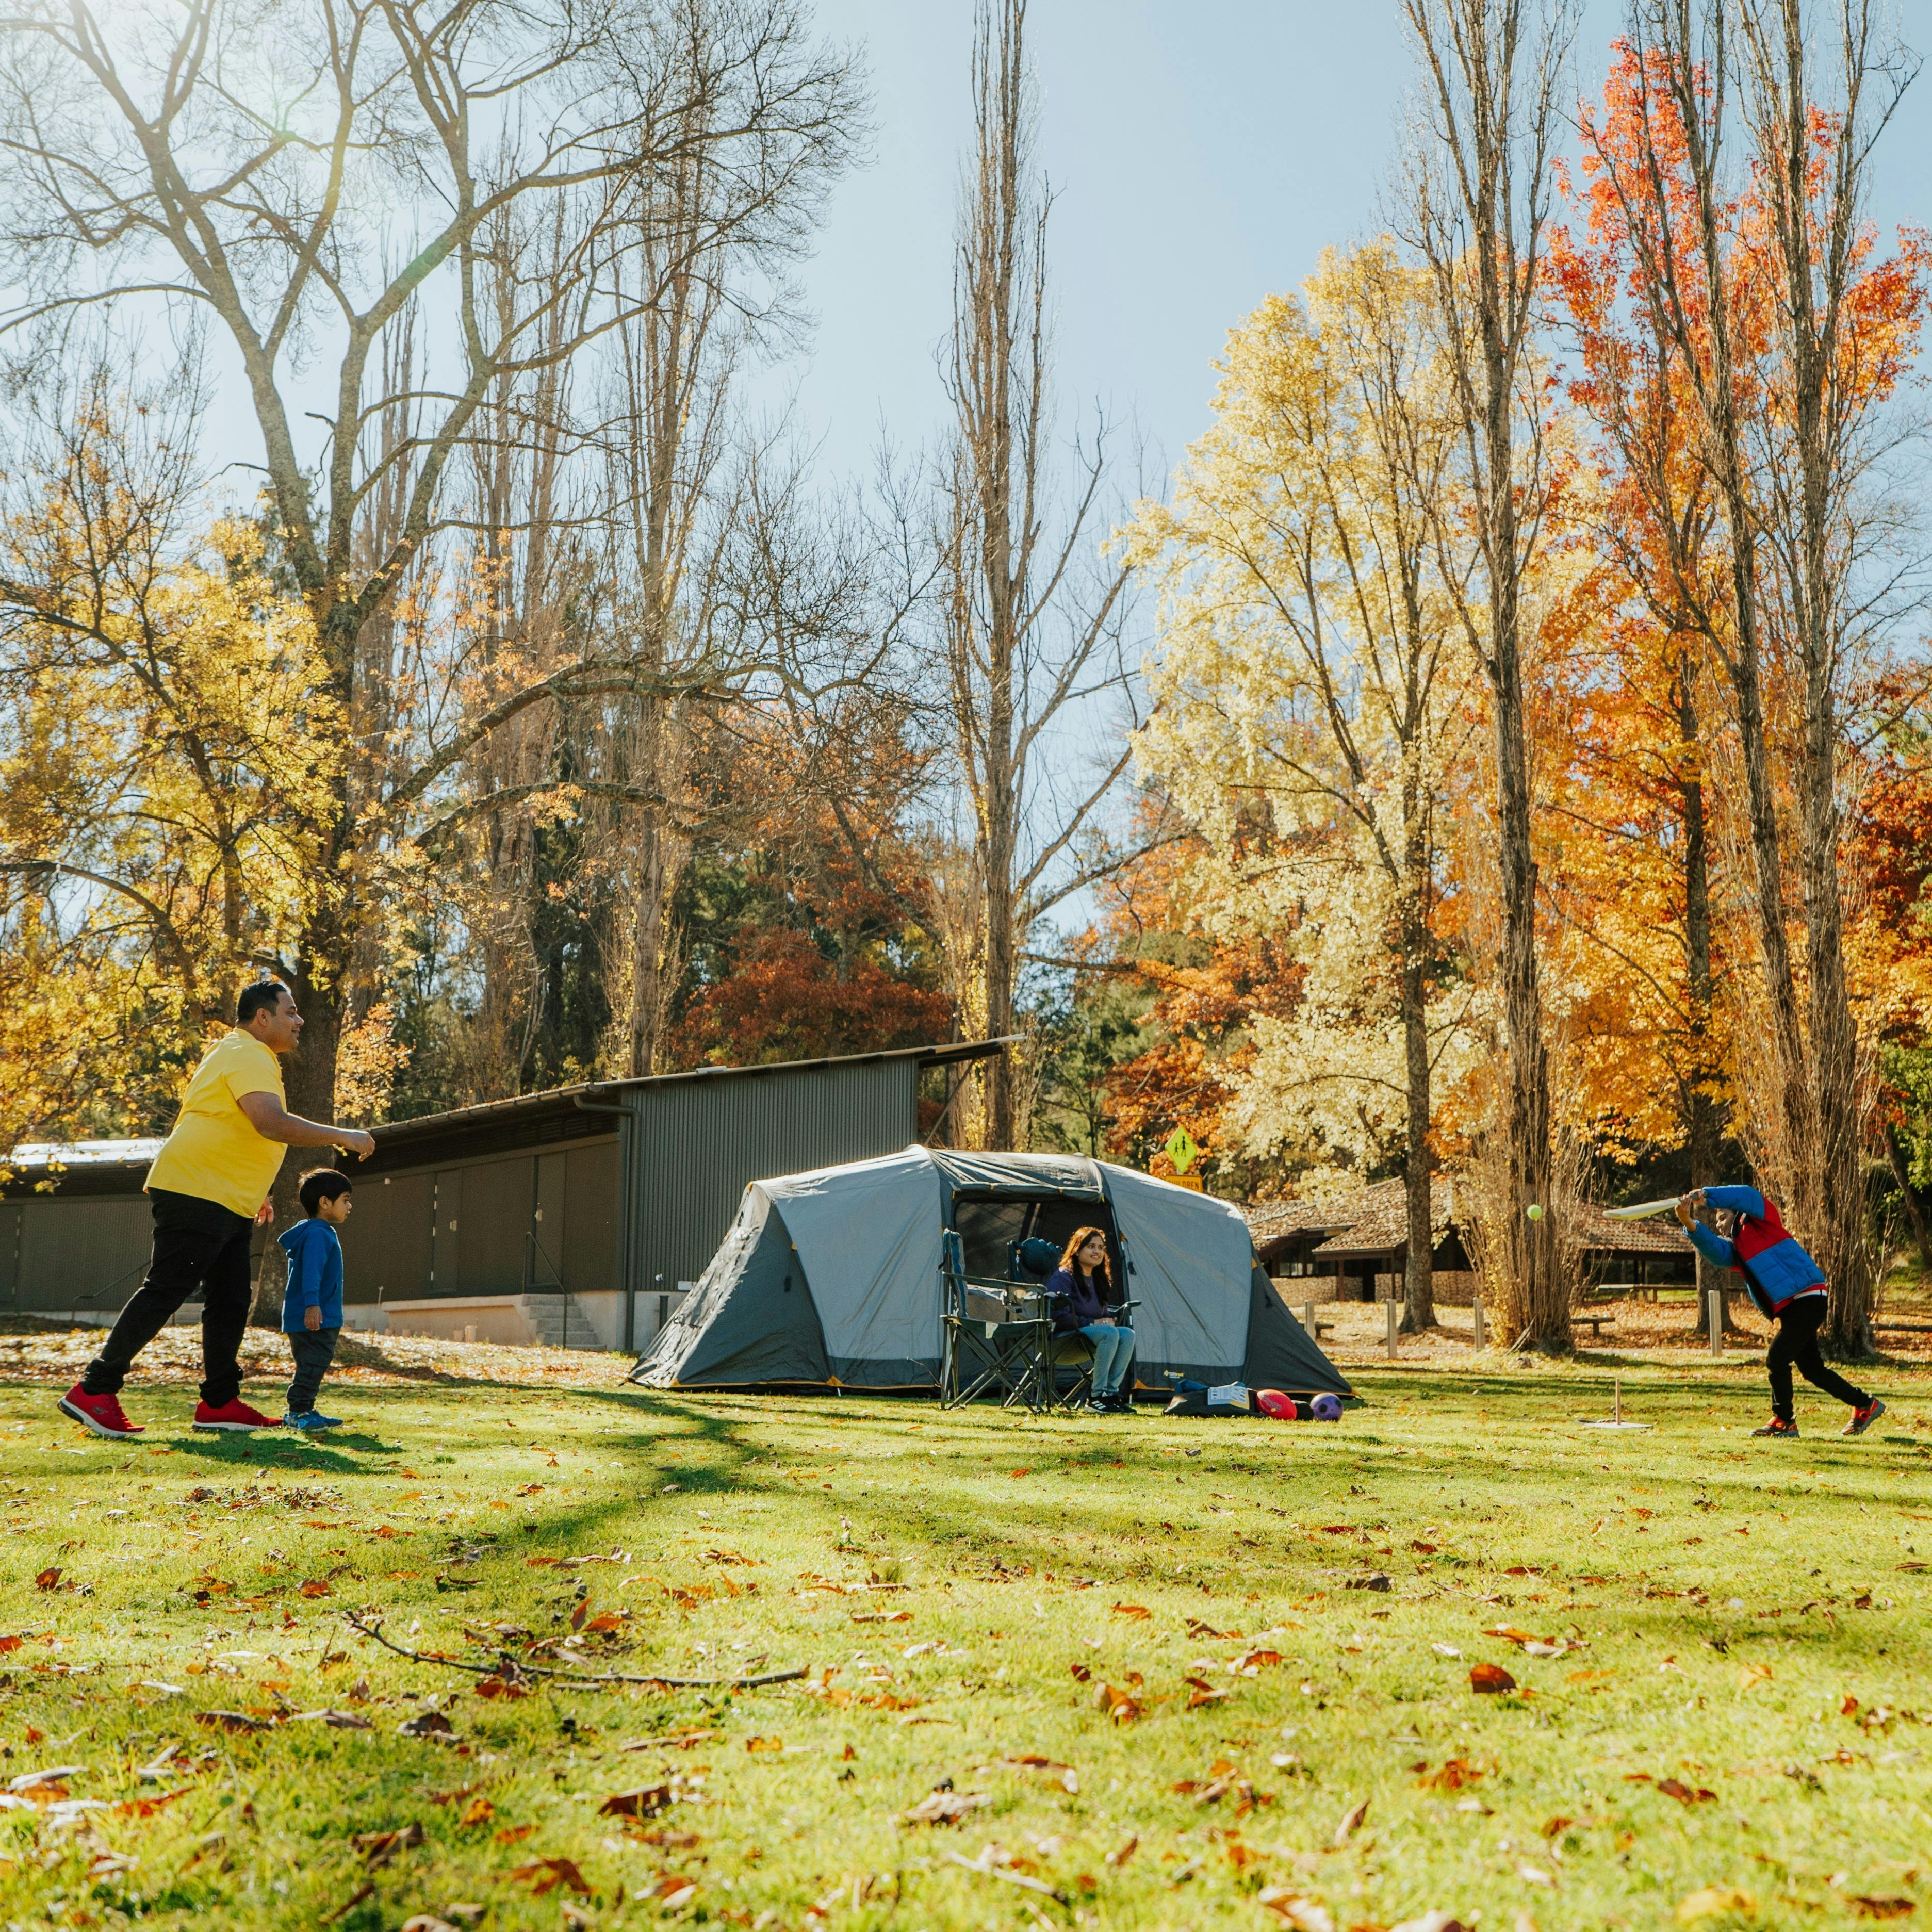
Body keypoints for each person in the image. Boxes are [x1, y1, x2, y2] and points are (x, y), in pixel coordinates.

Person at [58, 980, 376, 1439]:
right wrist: (340, 1135)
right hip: (198, 1190)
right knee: (167, 1288)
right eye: (291, 1012)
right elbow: (268, 1122)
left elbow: (231, 1122)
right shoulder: (249, 1053)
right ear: (262, 1018)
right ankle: (95, 1388)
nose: (299, 1020)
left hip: (225, 1195)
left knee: (230, 1300)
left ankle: (220, 1402)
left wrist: (255, 1189)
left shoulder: (237, 1052)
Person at [1676, 1186, 1884, 1439]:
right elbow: (1717, 1255)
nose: (1719, 1225)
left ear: (1738, 1214)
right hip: (1793, 1307)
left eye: (1722, 1217)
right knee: (1812, 1369)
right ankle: (1864, 1404)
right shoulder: (1737, 1250)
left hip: (1807, 1297)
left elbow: (1747, 1195)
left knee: (1777, 1358)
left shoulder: (1762, 1221)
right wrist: (1689, 1222)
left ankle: (1784, 1421)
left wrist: (1706, 1196)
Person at [282, 1168, 353, 1431]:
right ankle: (298, 1413)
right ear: (325, 1203)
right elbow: (312, 1272)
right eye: (345, 1199)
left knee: (312, 1364)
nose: (349, 1206)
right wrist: (313, 1305)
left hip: (311, 1313)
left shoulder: (314, 1232)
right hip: (316, 1315)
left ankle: (306, 1409)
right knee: (313, 1364)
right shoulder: (318, 1234)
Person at [1046, 1226, 1136, 1414]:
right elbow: (1058, 1317)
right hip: (1063, 1340)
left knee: (1127, 1334)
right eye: (1091, 1246)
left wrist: (1106, 1320)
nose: (1097, 1252)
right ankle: (1096, 1398)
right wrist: (1094, 1324)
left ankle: (1110, 1395)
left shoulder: (1099, 1279)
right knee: (1110, 1332)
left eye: (1101, 1248)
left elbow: (1099, 1316)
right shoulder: (1063, 1277)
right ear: (1077, 1250)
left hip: (1089, 1339)